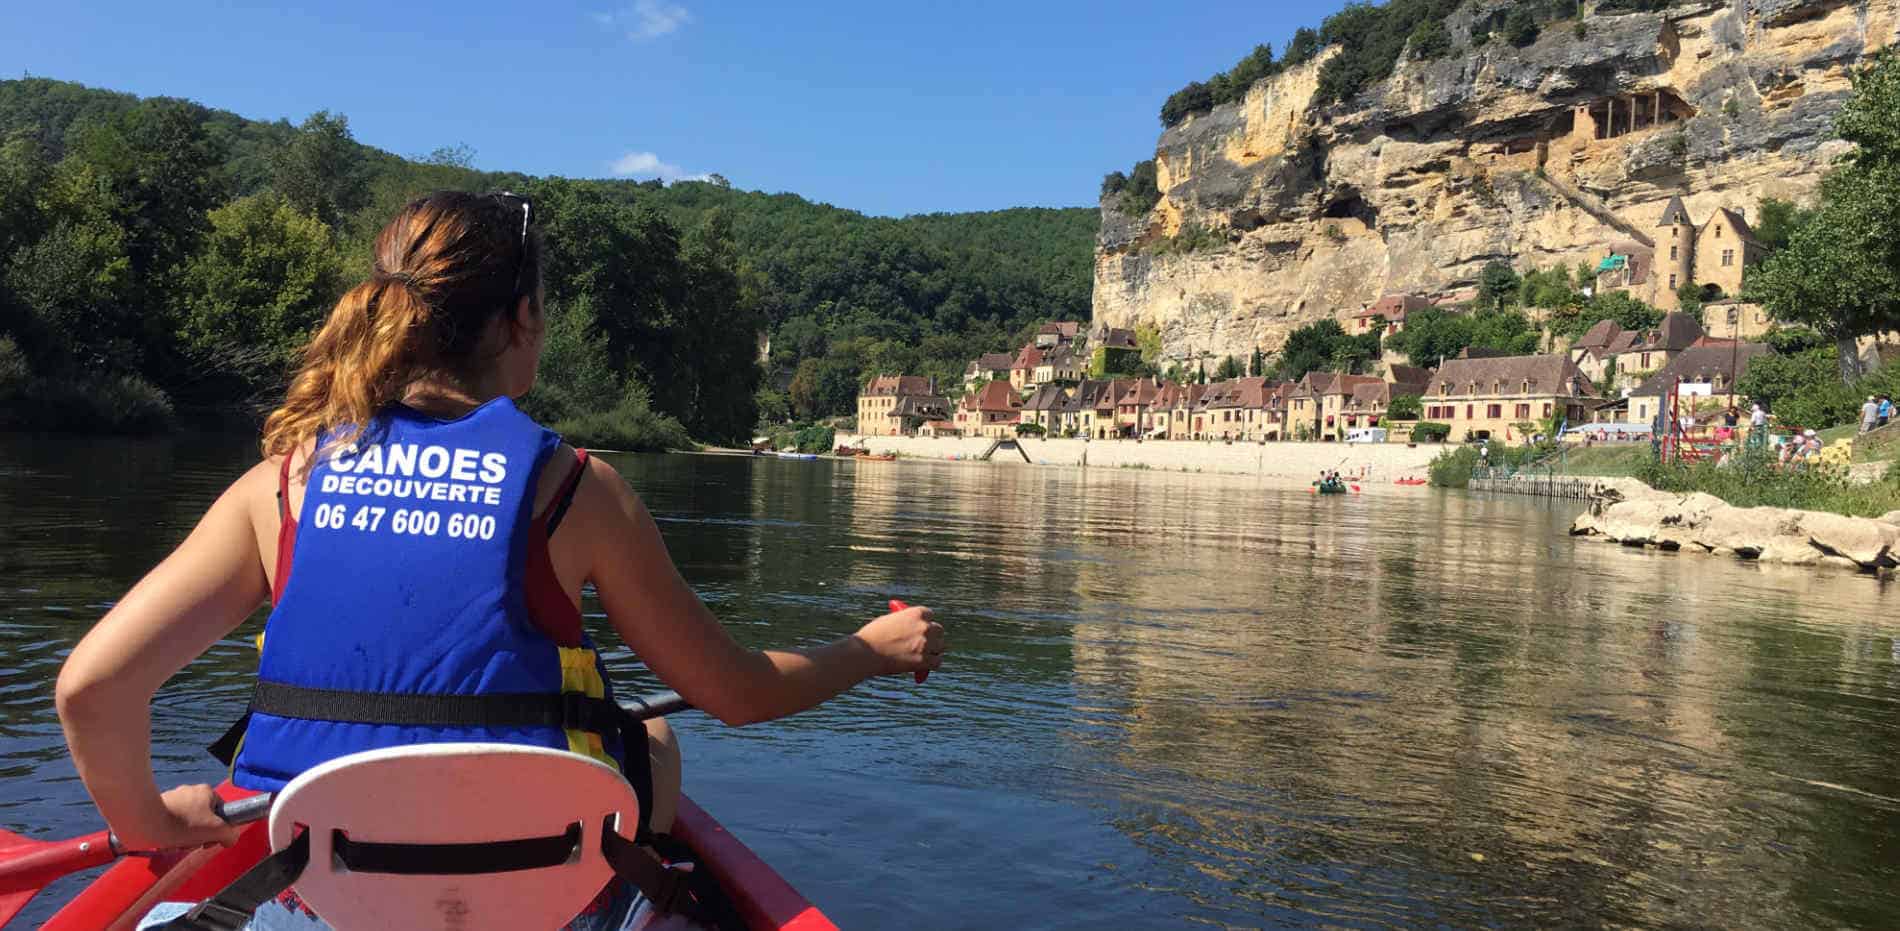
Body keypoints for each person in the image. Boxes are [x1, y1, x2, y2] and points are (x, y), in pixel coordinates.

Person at [55, 193, 946, 929]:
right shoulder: (574, 491)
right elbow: (743, 692)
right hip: (537, 906)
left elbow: (90, 689)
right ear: (520, 320)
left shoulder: (281, 486)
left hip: (316, 896)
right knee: (656, 742)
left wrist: (150, 818)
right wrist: (871, 648)